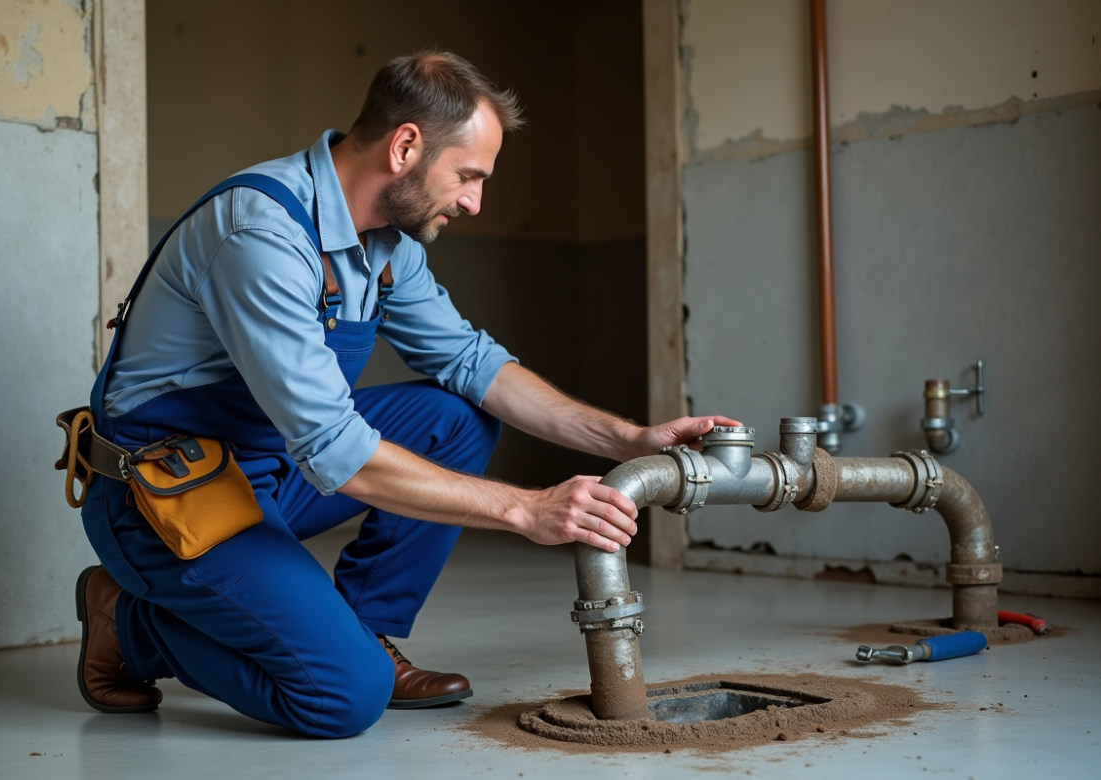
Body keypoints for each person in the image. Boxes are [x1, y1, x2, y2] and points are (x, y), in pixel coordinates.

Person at [74, 50, 739, 738]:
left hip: (269, 467)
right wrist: (525, 509)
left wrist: (629, 439)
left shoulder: (388, 245)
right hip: (165, 493)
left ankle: (367, 631)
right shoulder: (260, 234)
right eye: (468, 176)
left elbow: (473, 363)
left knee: (454, 416)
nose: (476, 201)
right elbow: (339, 451)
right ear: (406, 146)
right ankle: (127, 625)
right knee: (342, 699)